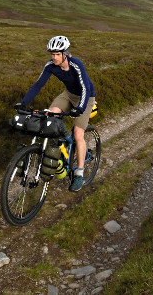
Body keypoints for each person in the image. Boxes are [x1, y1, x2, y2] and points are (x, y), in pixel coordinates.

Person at [15, 35, 96, 192]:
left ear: (65, 54)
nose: (54, 57)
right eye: (52, 54)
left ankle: (79, 173)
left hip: (86, 97)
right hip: (68, 94)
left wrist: (80, 108)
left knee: (79, 134)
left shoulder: (76, 64)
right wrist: (23, 102)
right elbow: (38, 85)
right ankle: (60, 150)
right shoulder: (50, 66)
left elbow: (85, 88)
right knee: (50, 115)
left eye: (57, 54)